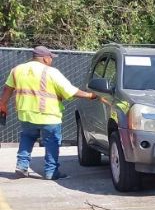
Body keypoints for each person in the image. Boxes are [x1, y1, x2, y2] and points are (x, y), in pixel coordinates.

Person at [0, 45, 97, 180]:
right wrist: (90, 96)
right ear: (45, 59)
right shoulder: (51, 72)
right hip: (49, 116)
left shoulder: (16, 70)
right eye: (51, 58)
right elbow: (70, 91)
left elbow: (7, 90)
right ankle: (51, 172)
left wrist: (3, 104)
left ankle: (21, 167)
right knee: (52, 142)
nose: (52, 60)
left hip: (25, 114)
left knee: (27, 138)